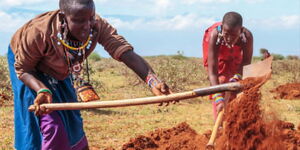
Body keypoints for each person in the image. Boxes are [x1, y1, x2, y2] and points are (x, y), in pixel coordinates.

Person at [7, 0, 171, 149]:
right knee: (50, 125)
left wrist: (152, 80)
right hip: (28, 68)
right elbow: (23, 69)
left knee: (71, 121)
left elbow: (124, 52)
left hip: (60, 68)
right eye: (79, 20)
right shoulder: (38, 32)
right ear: (63, 17)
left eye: (91, 17)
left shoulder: (97, 25)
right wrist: (42, 90)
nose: (88, 25)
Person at [202, 12, 253, 120]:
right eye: (226, 34)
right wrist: (218, 98)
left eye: (233, 35)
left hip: (234, 53)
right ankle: (220, 123)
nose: (229, 39)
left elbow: (246, 62)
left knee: (235, 85)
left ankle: (232, 121)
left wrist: (237, 77)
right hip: (216, 49)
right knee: (221, 80)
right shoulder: (215, 35)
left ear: (241, 30)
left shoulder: (246, 36)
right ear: (222, 29)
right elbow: (213, 72)